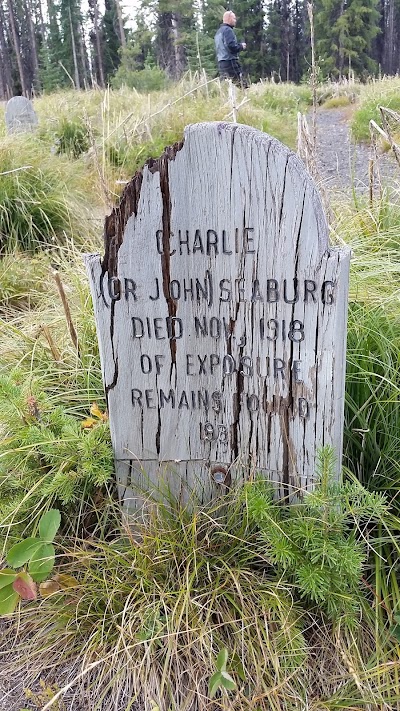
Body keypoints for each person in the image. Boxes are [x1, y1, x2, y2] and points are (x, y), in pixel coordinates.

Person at [214, 11, 247, 86]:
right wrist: (241, 46)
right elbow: (231, 46)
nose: (235, 20)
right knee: (242, 85)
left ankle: (230, 98)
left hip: (221, 62)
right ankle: (245, 97)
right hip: (230, 61)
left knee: (227, 85)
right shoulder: (228, 30)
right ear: (229, 19)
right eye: (234, 18)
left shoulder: (218, 32)